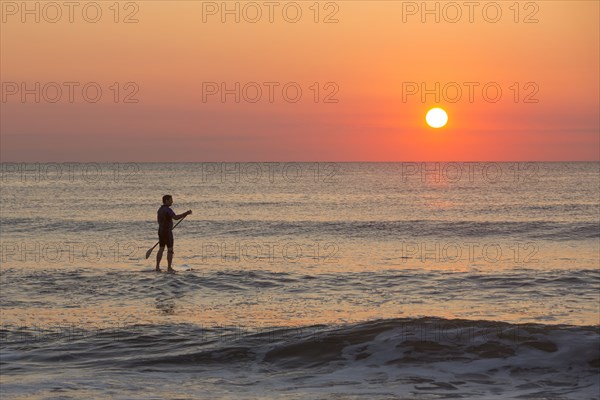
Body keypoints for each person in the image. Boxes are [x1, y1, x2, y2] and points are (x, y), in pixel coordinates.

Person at [156, 195, 192, 272]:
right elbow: (175, 217)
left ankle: (157, 267)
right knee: (170, 250)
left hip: (161, 231)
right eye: (170, 200)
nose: (172, 201)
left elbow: (159, 221)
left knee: (161, 249)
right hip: (167, 232)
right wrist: (186, 213)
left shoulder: (160, 210)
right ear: (166, 200)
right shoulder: (168, 210)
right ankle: (169, 268)